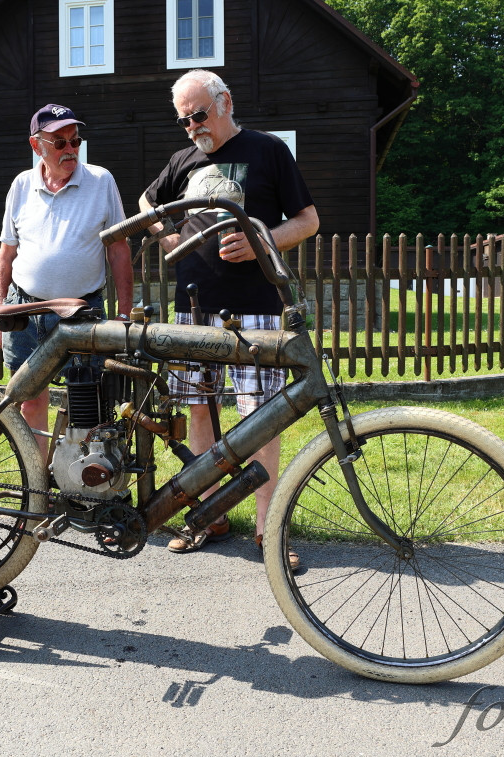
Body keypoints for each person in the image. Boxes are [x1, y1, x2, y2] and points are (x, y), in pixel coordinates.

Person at [139, 70, 319, 566]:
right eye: (184, 120)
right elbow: (146, 202)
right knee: (199, 409)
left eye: (198, 115)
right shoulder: (183, 160)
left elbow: (308, 220)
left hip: (256, 307)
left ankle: (268, 530)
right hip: (194, 305)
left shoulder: (267, 151)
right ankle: (207, 517)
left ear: (226, 103)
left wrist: (263, 241)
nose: (193, 127)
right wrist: (167, 237)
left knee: (261, 418)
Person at [0, 104, 134, 445]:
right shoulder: (21, 185)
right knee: (30, 402)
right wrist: (1, 313)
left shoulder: (100, 181)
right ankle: (38, 488)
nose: (70, 150)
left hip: (81, 312)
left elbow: (118, 249)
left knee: (91, 405)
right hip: (25, 311)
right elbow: (7, 251)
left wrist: (125, 314)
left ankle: (85, 489)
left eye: (75, 141)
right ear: (36, 145)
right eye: (60, 143)